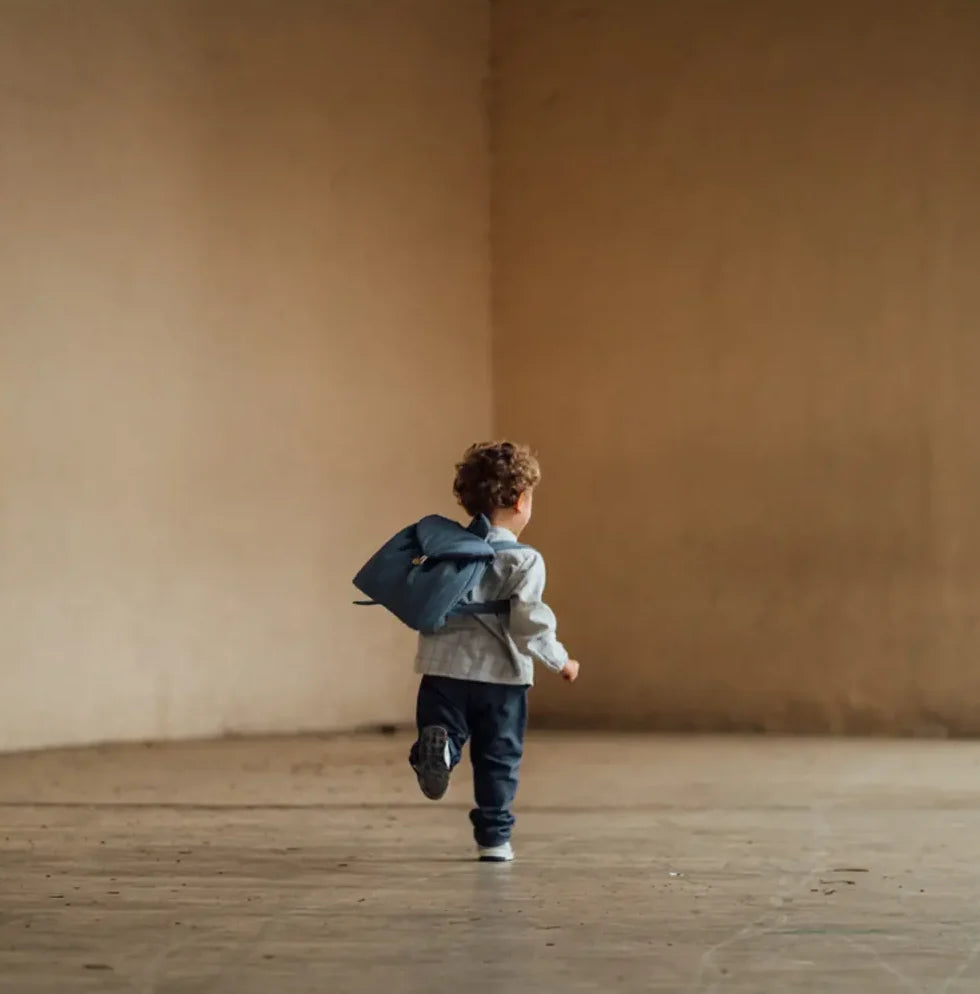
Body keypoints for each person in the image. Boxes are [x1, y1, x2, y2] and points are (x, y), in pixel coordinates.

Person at [410, 441, 580, 862]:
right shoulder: (524, 559)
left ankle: (444, 747)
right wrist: (561, 660)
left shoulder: (442, 550)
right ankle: (494, 840)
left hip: (443, 667)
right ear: (522, 500)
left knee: (444, 726)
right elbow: (529, 622)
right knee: (497, 757)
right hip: (501, 676)